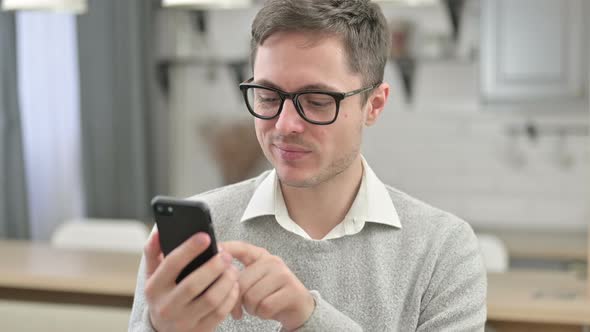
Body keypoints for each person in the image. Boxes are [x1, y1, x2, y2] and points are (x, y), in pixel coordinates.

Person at [129, 0, 487, 331]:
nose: (284, 125)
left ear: (374, 105)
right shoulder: (194, 238)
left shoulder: (443, 249)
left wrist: (308, 318)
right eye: (268, 97)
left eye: (316, 101)